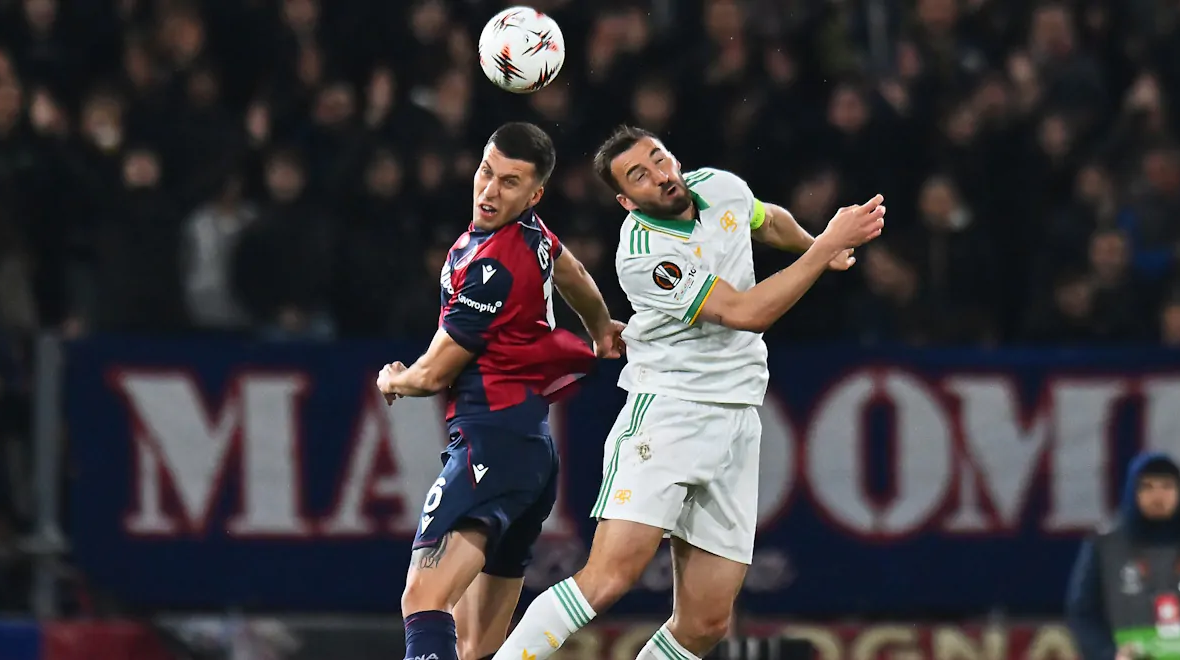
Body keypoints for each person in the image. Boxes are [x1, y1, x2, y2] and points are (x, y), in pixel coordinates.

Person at [494, 125, 886, 660]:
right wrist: (825, 250)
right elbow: (747, 312)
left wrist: (814, 244)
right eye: (639, 176)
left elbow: (765, 219)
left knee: (705, 623)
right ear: (626, 201)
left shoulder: (719, 185)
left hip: (738, 418)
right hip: (670, 414)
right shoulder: (643, 255)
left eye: (659, 159)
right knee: (608, 578)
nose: (659, 176)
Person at [375, 122, 625, 660]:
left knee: (424, 596)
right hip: (530, 453)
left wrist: (393, 378)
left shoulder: (491, 267)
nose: (490, 190)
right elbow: (572, 271)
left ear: (534, 194)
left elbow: (434, 374)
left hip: (490, 444)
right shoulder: (531, 234)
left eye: (510, 183)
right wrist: (601, 327)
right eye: (487, 172)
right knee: (475, 645)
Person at [1065, 452, 1180, 660]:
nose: (1158, 496)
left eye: (1167, 486)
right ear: (1132, 492)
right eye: (1148, 487)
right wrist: (1107, 655)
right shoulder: (1105, 546)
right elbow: (1083, 612)